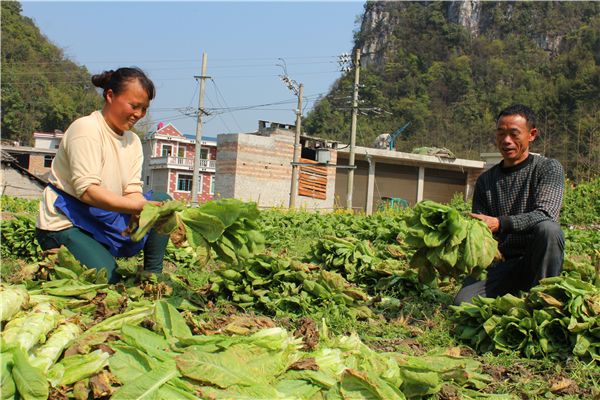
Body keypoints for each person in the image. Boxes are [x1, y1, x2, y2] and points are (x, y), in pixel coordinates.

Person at [36, 67, 170, 283]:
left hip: (104, 215)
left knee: (162, 203)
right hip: (66, 221)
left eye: (144, 109)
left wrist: (144, 211)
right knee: (109, 278)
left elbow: (132, 191)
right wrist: (138, 207)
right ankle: (62, 247)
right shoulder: (86, 130)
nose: (138, 114)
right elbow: (88, 193)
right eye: (134, 106)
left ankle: (153, 276)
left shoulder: (133, 141)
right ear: (110, 96)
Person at [454, 104, 565, 305]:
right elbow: (482, 231)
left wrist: (500, 223)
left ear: (531, 135)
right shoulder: (486, 180)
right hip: (501, 264)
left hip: (535, 261)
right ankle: (513, 292)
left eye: (514, 134)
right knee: (462, 303)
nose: (506, 141)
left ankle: (547, 297)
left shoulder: (548, 168)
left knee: (549, 229)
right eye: (501, 133)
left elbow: (546, 213)